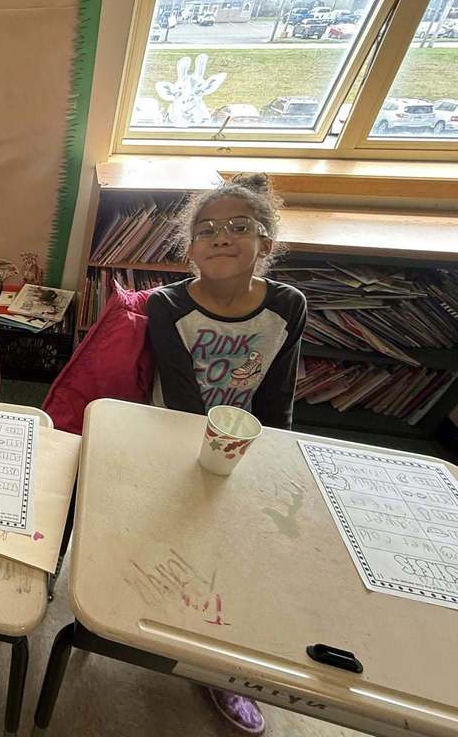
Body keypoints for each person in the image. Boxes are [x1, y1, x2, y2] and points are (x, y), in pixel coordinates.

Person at [147, 173, 306, 734]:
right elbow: (182, 398)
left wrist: (272, 459)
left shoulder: (288, 304)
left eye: (241, 227)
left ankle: (219, 665)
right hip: (173, 432)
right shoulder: (167, 305)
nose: (222, 237)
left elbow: (277, 393)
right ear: (189, 249)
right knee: (174, 536)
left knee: (240, 555)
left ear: (265, 242)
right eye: (207, 230)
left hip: (247, 438)